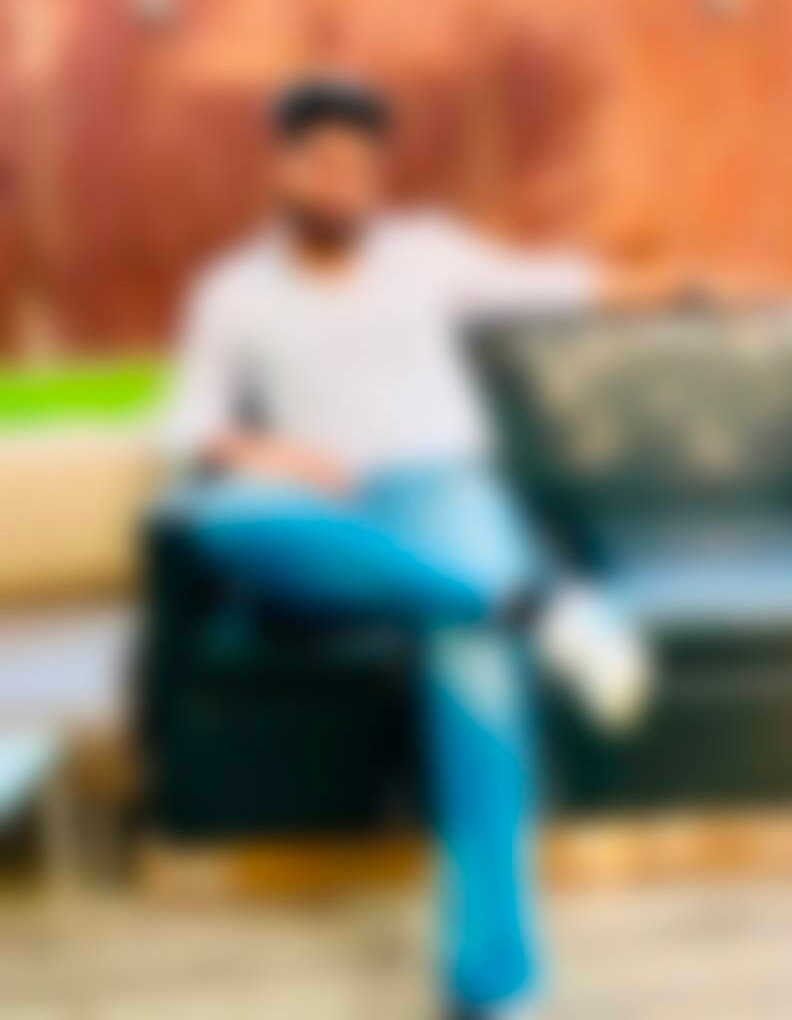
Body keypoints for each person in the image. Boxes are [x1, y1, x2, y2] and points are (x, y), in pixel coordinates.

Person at [159, 77, 653, 1019]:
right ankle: (538, 607)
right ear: (283, 167)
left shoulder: (424, 252)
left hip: (440, 489)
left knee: (473, 652)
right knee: (218, 517)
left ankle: (495, 984)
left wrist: (677, 284)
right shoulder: (232, 291)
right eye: (323, 161)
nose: (344, 182)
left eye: (362, 166)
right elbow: (189, 422)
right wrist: (271, 454)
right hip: (323, 511)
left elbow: (556, 283)